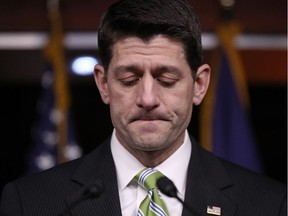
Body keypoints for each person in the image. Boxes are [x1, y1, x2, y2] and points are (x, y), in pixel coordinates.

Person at [0, 0, 286, 215]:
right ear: (103, 84)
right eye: (129, 79)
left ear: (199, 84)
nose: (147, 99)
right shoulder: (29, 202)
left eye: (166, 79)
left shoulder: (269, 204)